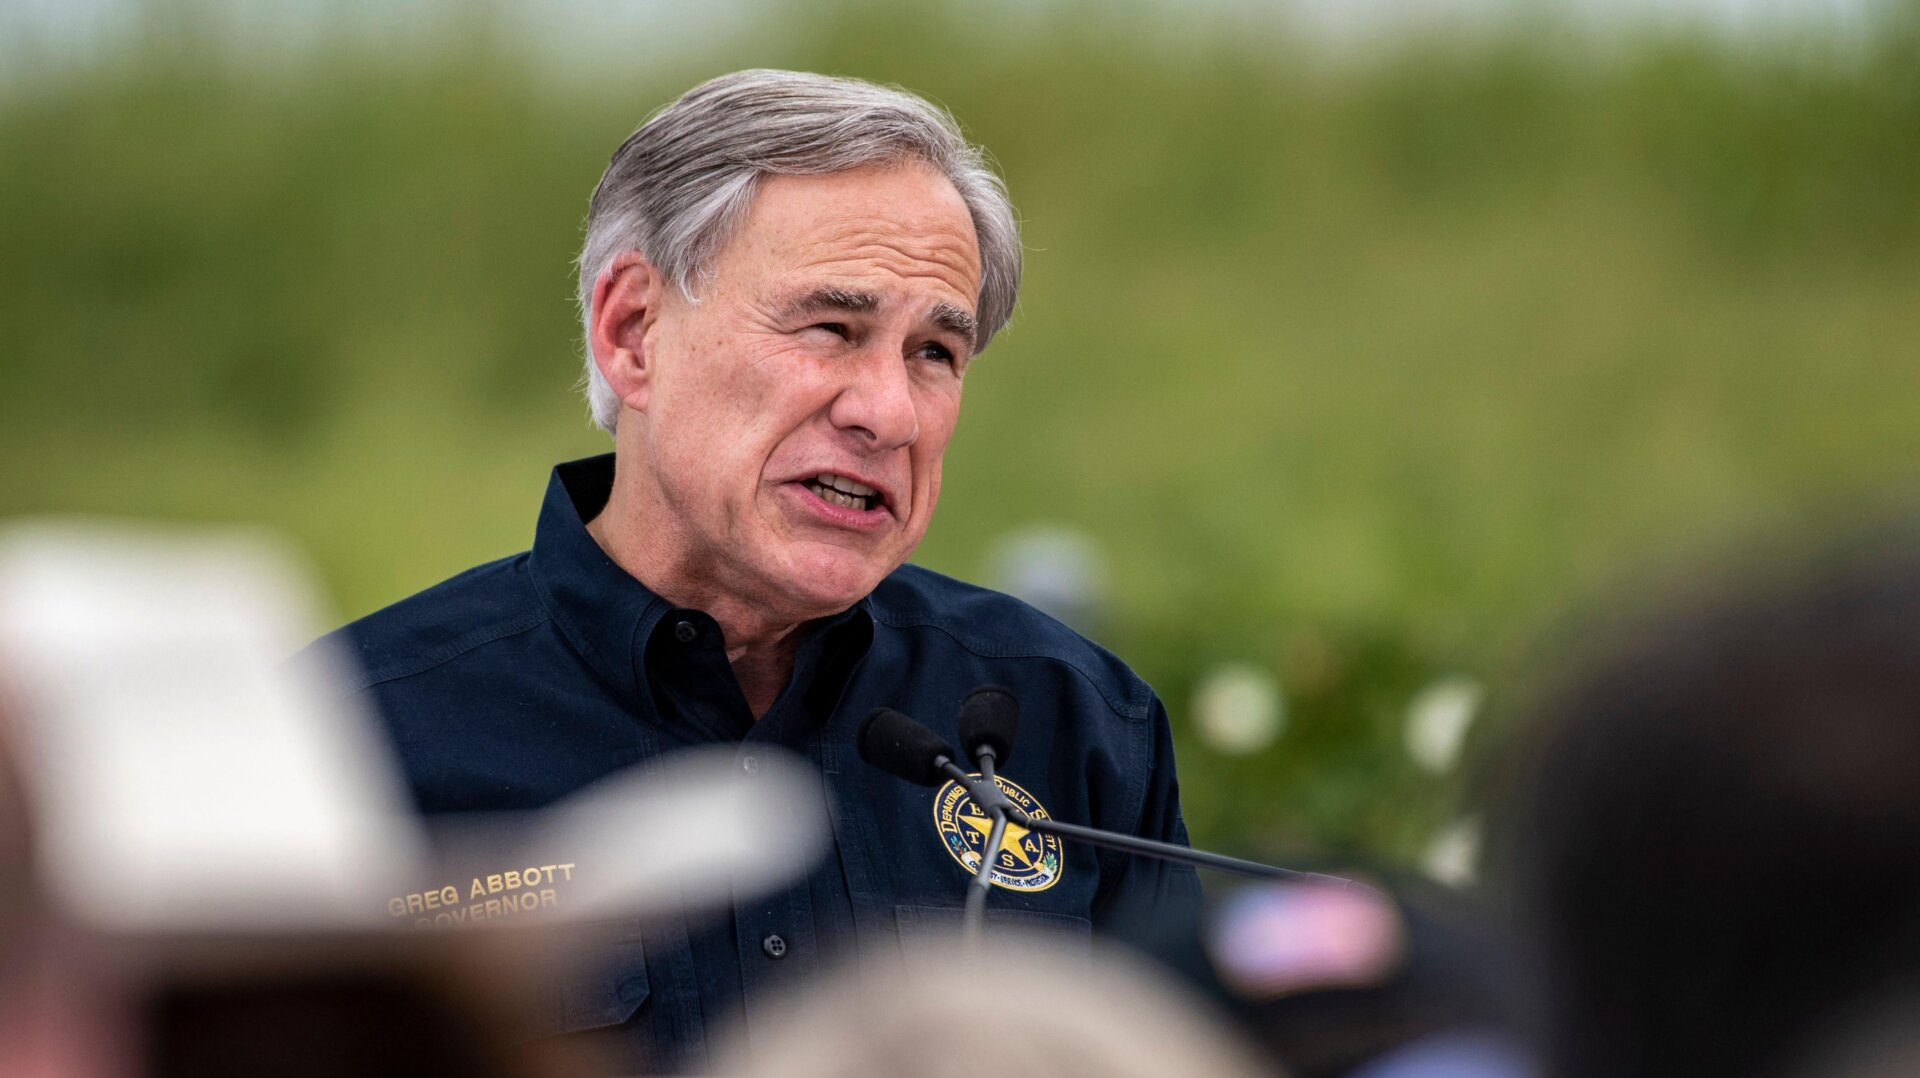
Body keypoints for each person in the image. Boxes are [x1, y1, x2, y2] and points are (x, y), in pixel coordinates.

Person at [310, 70, 1200, 1072]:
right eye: (832, 329)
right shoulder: (341, 738)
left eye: (935, 352)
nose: (888, 414)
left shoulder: (1072, 717)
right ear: (632, 332)